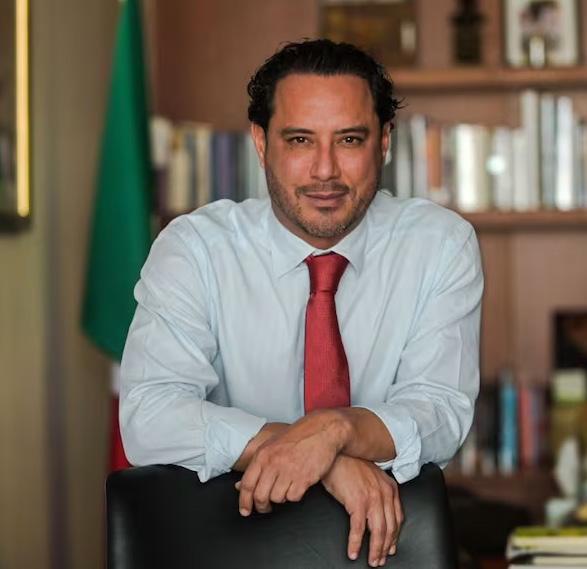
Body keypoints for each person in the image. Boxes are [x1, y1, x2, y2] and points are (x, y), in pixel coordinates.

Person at [120, 39, 483, 568]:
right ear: (261, 143)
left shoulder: (440, 245)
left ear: (384, 142)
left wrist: (336, 430)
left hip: (384, 551)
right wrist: (310, 451)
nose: (324, 171)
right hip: (226, 549)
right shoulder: (195, 249)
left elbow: (440, 411)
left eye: (350, 139)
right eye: (300, 140)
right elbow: (150, 416)